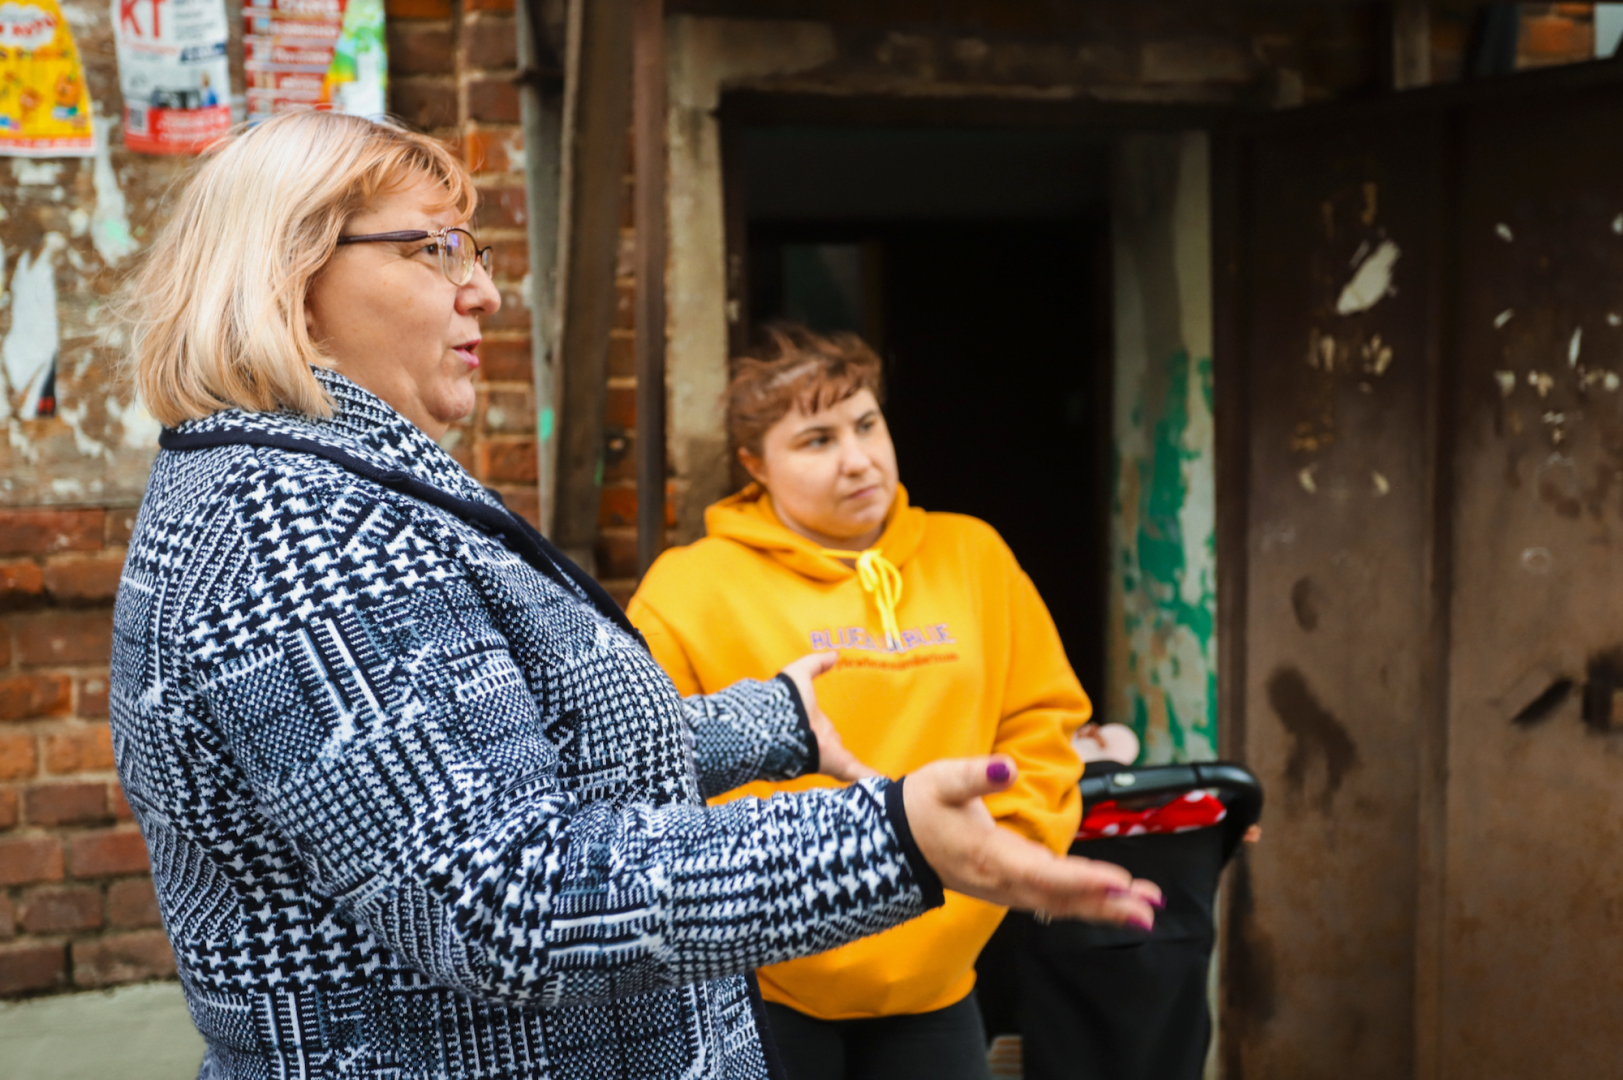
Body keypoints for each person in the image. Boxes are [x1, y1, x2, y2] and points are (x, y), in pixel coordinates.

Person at [108, 111, 1160, 1080]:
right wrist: (886, 839)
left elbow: (513, 757)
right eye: (437, 249)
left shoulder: (324, 486)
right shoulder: (297, 528)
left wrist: (774, 722)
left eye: (472, 251)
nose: (482, 291)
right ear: (291, 277)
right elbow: (503, 899)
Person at [627, 325, 1099, 1080]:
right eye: (817, 441)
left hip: (937, 977)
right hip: (759, 988)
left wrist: (1001, 851)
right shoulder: (689, 588)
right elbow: (646, 780)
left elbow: (1041, 722)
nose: (857, 459)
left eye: (867, 425)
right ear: (754, 464)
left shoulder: (973, 555)